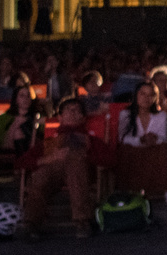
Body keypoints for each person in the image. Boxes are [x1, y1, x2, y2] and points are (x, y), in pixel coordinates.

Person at [21, 98, 112, 239]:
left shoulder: (91, 141)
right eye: (69, 110)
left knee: (74, 161)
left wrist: (86, 157)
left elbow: (110, 159)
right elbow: (21, 162)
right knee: (40, 174)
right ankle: (31, 223)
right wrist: (48, 159)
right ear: (60, 117)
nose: (73, 112)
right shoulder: (49, 142)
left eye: (77, 110)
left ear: (82, 117)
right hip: (53, 171)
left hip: (81, 172)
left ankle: (82, 220)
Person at [115, 81, 167, 201]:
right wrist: (140, 140)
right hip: (134, 149)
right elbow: (123, 138)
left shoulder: (160, 116)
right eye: (143, 94)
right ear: (136, 96)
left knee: (162, 149)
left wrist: (153, 139)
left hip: (154, 148)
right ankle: (130, 191)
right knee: (127, 150)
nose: (146, 98)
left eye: (150, 95)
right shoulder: (126, 114)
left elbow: (163, 137)